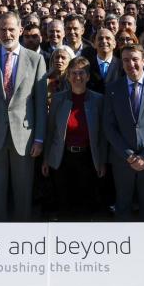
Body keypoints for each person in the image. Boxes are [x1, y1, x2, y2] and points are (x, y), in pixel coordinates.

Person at [0, 12, 47, 222]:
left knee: (23, 192)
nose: (7, 33)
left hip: (24, 137)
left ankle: (21, 239)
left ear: (20, 31)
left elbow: (40, 104)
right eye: (3, 30)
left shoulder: (36, 60)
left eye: (11, 29)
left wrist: (40, 138)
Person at [102, 44, 144, 221]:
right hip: (122, 160)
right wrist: (129, 155)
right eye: (126, 60)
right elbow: (109, 127)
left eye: (135, 59)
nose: (131, 64)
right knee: (123, 206)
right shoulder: (112, 89)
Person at [43, 56, 107, 219]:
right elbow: (50, 131)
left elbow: (102, 135)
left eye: (81, 73)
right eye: (73, 73)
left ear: (88, 76)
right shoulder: (58, 99)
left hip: (88, 158)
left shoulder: (98, 100)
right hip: (62, 157)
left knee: (85, 204)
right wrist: (46, 159)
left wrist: (101, 161)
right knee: (64, 203)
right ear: (68, 76)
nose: (77, 77)